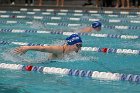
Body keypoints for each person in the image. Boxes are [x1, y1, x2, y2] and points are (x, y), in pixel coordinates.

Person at [13, 34, 82, 60]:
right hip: (43, 64)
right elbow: (43, 48)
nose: (80, 48)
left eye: (81, 45)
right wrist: (27, 48)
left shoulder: (72, 52)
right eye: (78, 45)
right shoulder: (60, 49)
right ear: (71, 44)